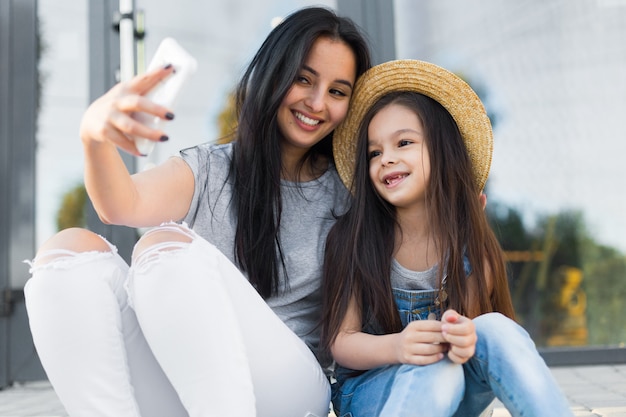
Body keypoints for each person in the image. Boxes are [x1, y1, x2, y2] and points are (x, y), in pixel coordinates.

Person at [24, 7, 371, 417]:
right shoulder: (211, 168)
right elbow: (120, 205)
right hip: (192, 387)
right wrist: (93, 137)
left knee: (164, 245)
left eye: (337, 91)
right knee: (67, 253)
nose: (316, 103)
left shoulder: (351, 193)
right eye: (303, 79)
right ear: (275, 75)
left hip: (289, 389)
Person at [320, 60, 574, 417]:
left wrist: (462, 337)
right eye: (374, 152)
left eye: (403, 143)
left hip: (449, 386)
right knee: (434, 363)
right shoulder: (354, 240)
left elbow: (467, 333)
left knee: (496, 329)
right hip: (372, 391)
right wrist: (399, 347)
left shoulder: (471, 247)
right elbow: (342, 343)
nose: (386, 159)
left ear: (442, 151)